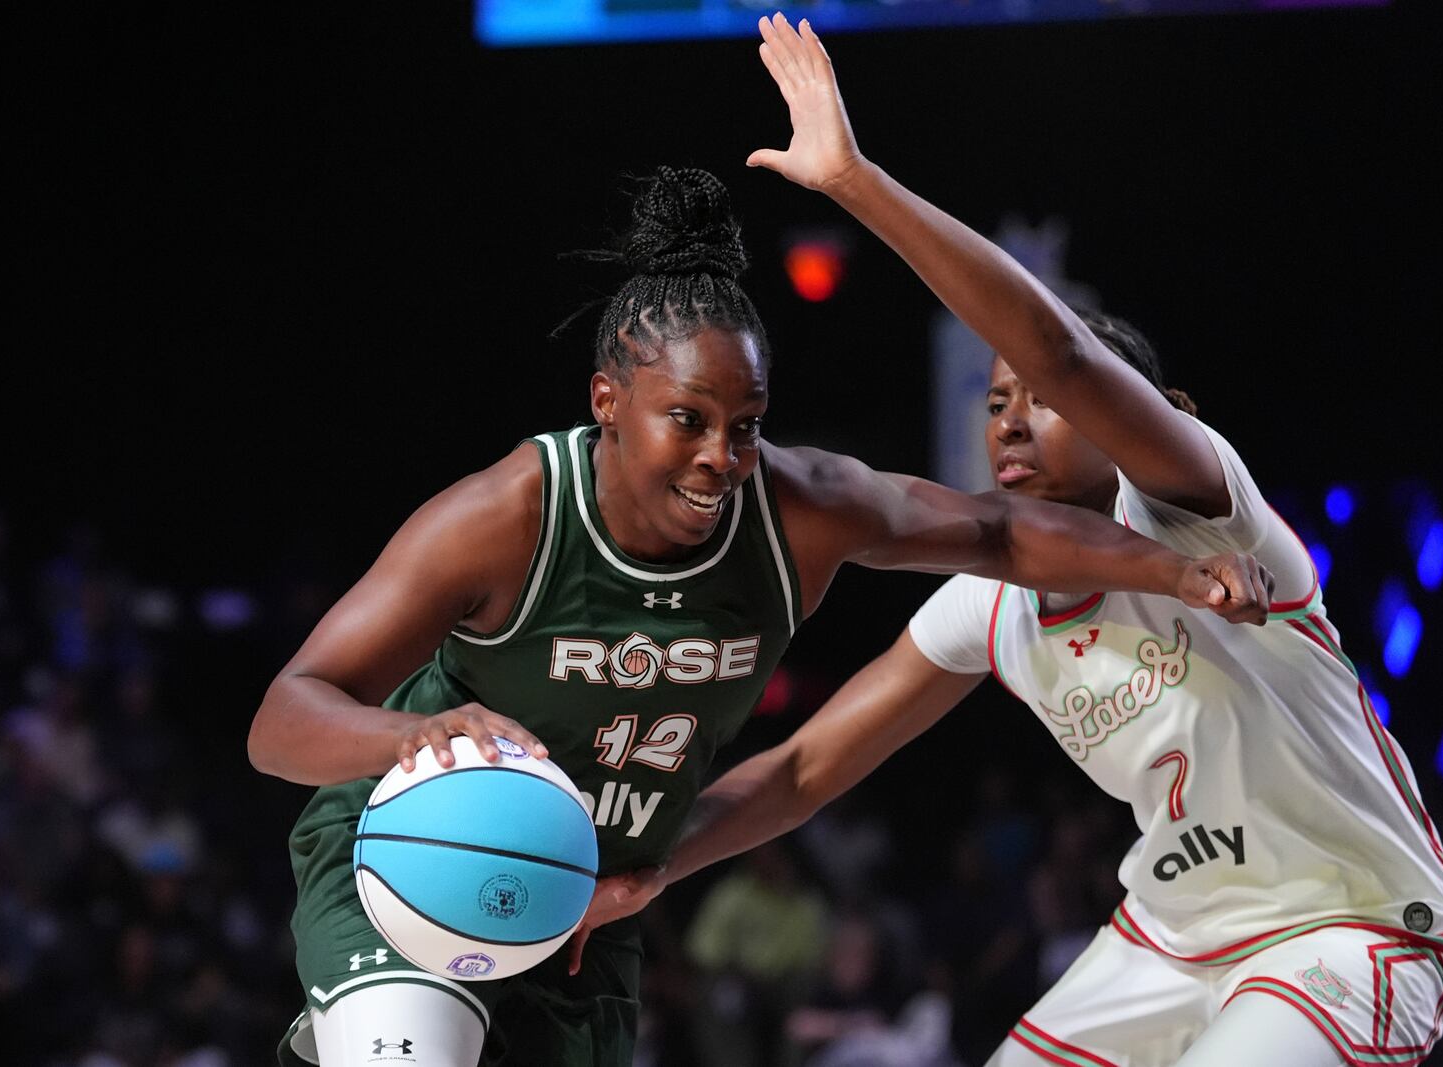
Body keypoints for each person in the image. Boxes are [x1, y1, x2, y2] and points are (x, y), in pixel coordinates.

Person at [570, 14, 1443, 1067]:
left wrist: (854, 182)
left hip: (1350, 925)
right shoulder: (992, 600)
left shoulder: (1198, 508)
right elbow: (799, 771)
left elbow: (1060, 350)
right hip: (1168, 939)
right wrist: (645, 864)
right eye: (993, 398)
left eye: (1040, 401)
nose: (1009, 416)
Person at [247, 152, 1274, 1065]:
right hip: (416, 847)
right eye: (686, 421)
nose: (719, 458)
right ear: (608, 400)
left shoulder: (799, 507)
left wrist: (1178, 571)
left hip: (587, 893)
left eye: (744, 426)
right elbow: (283, 718)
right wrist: (417, 732)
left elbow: (996, 533)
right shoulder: (502, 518)